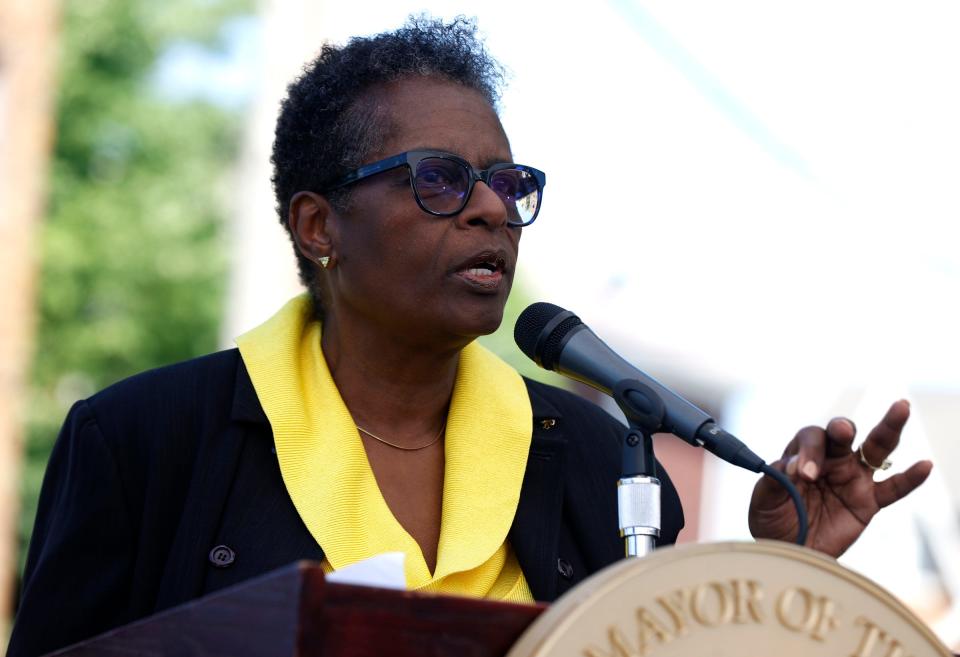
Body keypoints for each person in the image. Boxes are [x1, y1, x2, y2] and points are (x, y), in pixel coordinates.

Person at [7, 16, 932, 657]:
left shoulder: (597, 459)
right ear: (319, 226)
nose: (493, 208)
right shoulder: (148, 440)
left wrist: (786, 568)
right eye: (442, 178)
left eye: (506, 181)